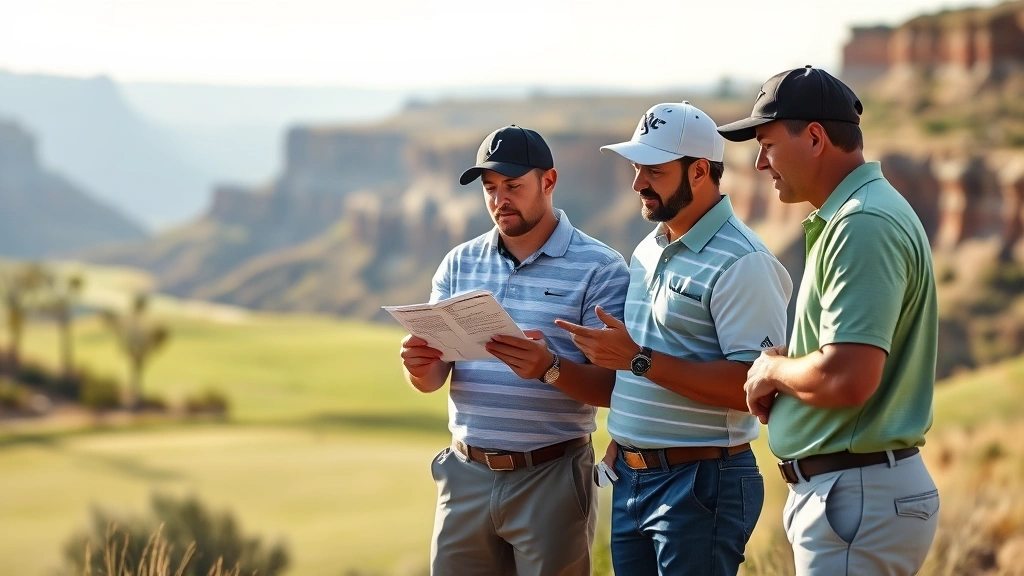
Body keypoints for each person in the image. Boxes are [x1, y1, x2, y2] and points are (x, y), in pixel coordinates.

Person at [717, 65, 940, 576]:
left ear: (815, 138)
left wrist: (772, 372)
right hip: (856, 497)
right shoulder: (860, 213)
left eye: (768, 144)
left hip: (854, 497)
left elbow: (847, 376)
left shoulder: (861, 222)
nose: (758, 162)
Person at [555, 102, 792, 575]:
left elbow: (752, 386)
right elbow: (639, 369)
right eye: (637, 167)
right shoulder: (649, 247)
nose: (638, 182)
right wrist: (626, 436)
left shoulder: (743, 261)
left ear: (700, 171)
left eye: (654, 171)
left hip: (703, 482)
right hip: (633, 478)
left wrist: (638, 359)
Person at [398, 124, 630, 576]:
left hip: (553, 477)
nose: (499, 200)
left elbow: (617, 388)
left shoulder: (601, 267)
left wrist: (550, 369)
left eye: (513, 186)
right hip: (465, 475)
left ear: (549, 181)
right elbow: (431, 381)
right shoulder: (459, 262)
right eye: (490, 188)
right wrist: (418, 366)